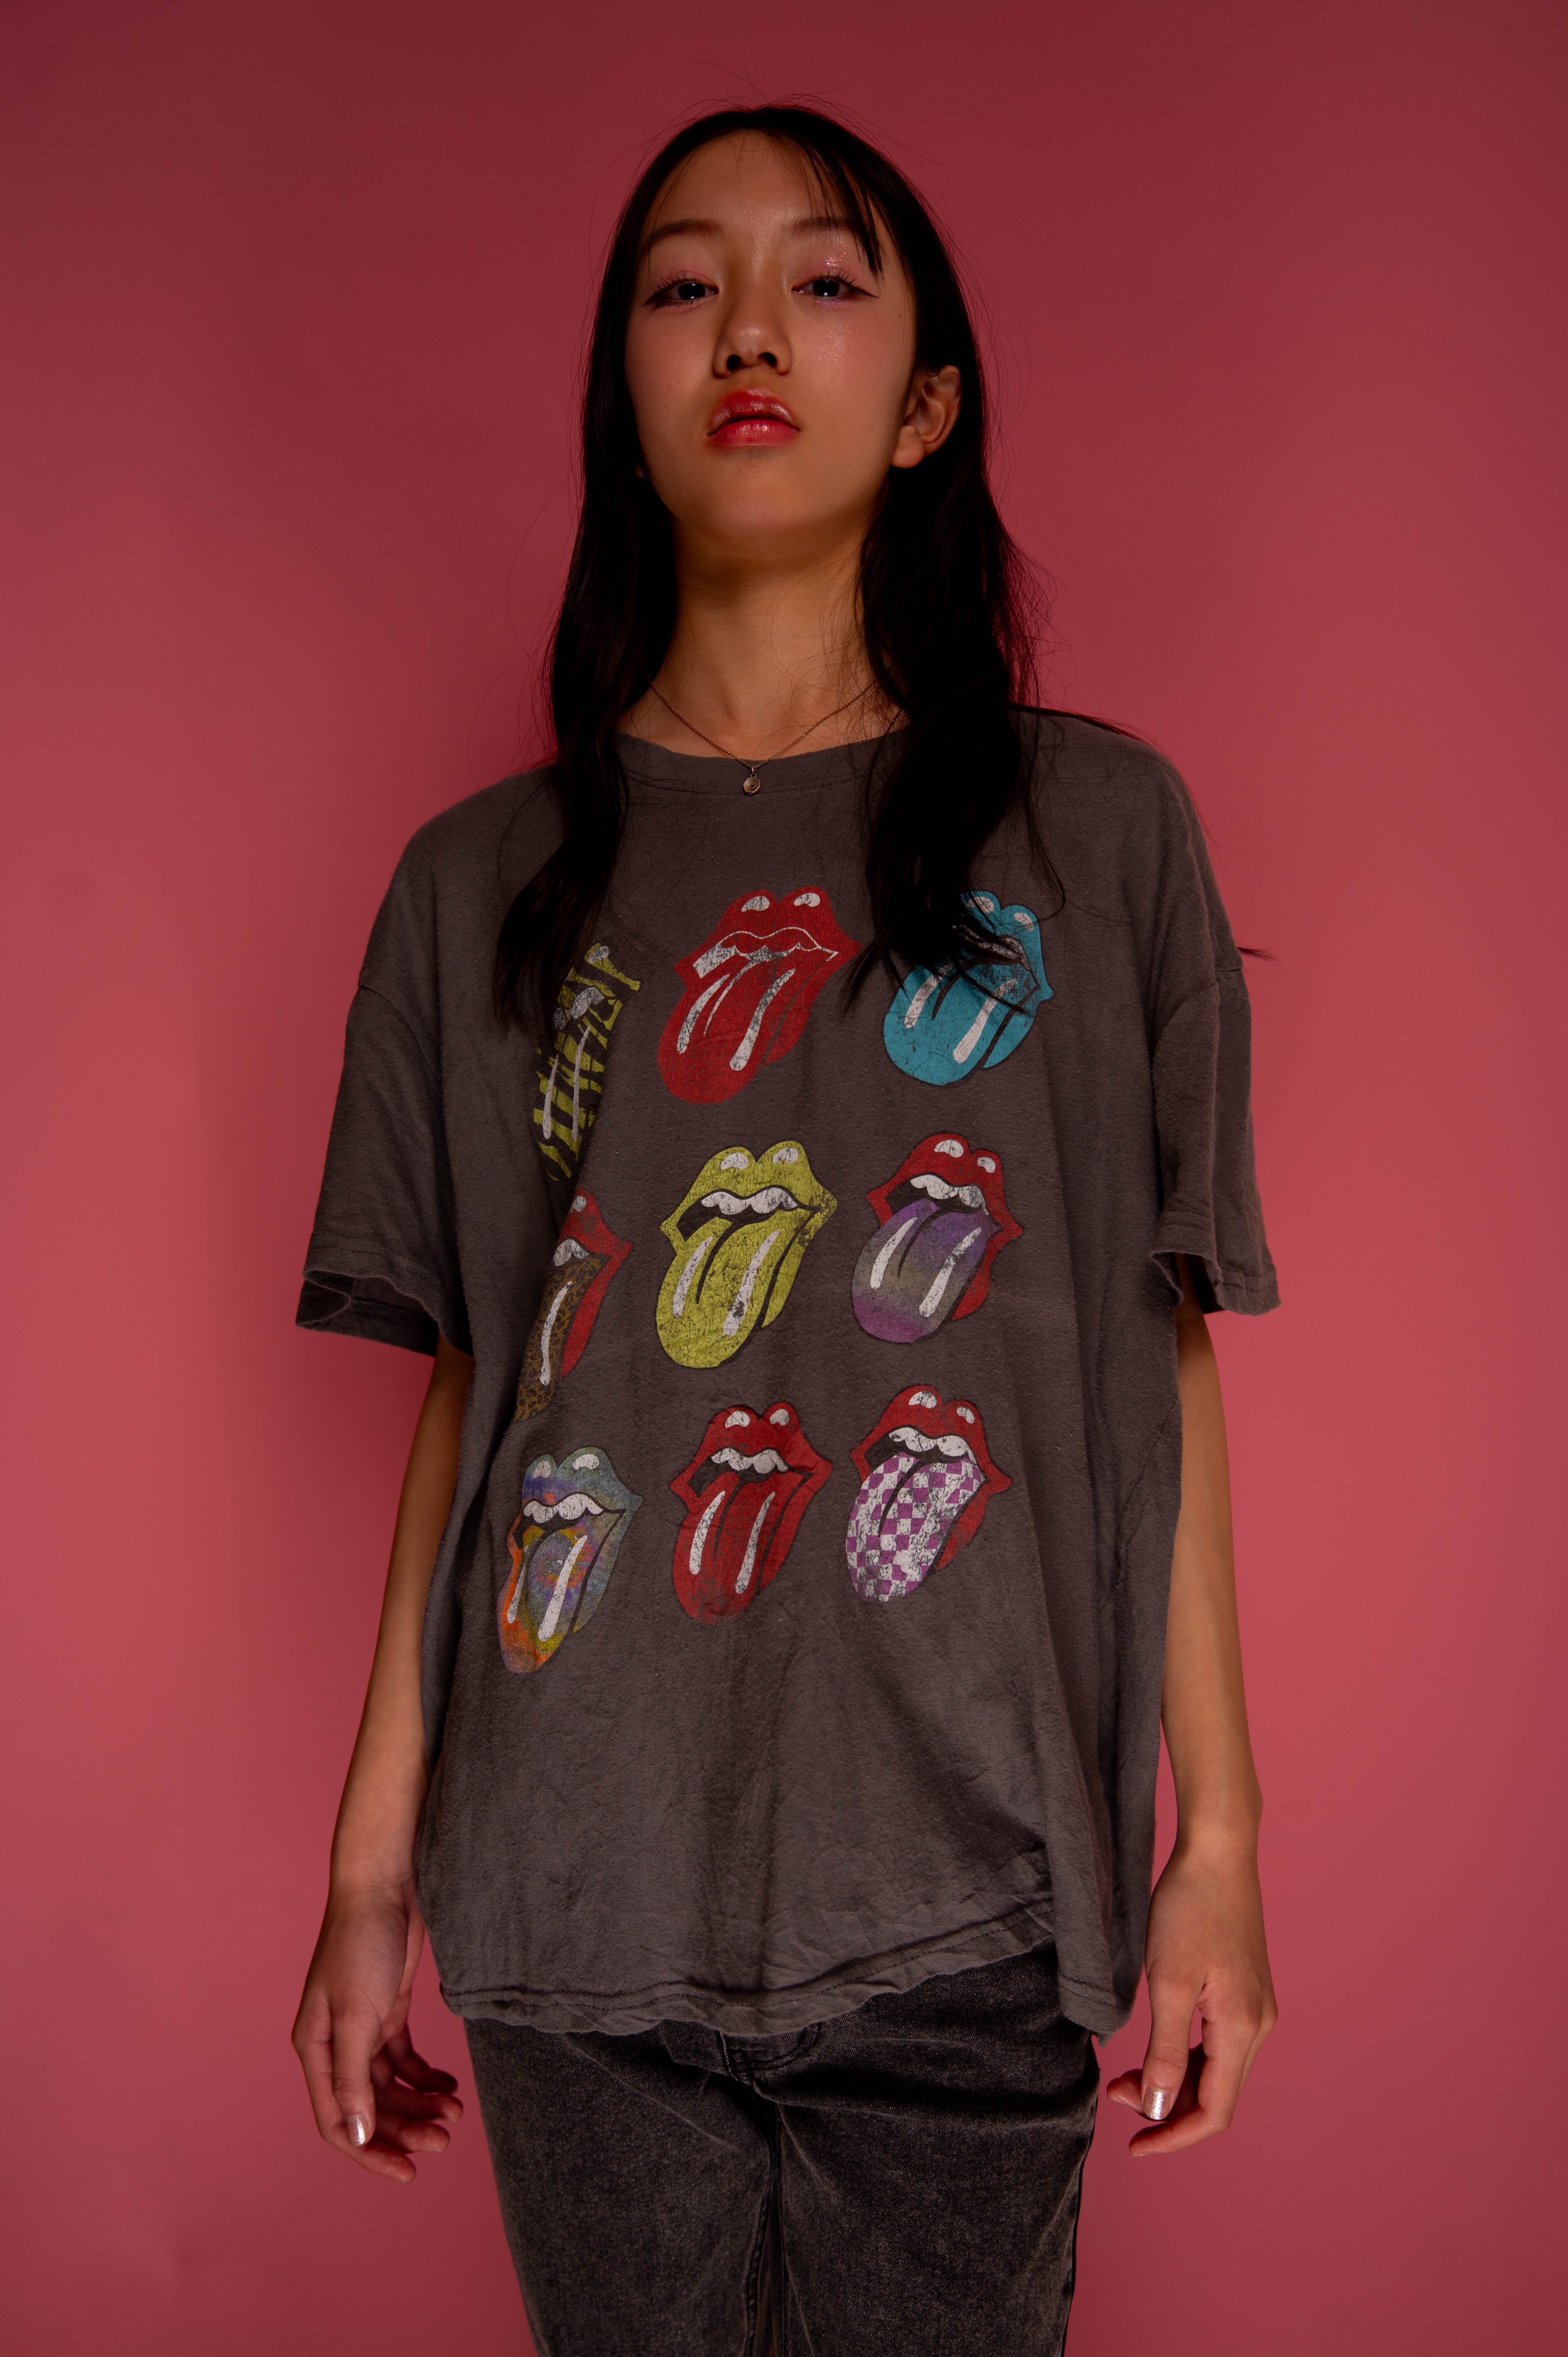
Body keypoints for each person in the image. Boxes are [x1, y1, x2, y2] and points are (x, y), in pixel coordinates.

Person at [290, 101, 1280, 2357]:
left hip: (970, 1872)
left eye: (824, 280)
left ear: (923, 405)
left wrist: (1216, 1846)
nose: (748, 328)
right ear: (625, 397)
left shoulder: (1098, 837)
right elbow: (486, 1385)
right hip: (571, 1879)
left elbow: (1154, 1360)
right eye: (683, 284)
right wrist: (367, 1878)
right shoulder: (475, 888)